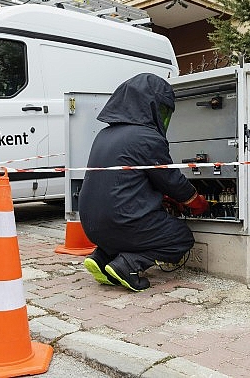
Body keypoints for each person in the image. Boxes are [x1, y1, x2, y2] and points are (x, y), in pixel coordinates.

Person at [78, 73, 209, 292]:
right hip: (123, 222)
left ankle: (101, 258)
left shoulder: (103, 135)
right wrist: (196, 201)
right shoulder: (146, 137)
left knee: (124, 232)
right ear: (151, 107)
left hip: (92, 226)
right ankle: (128, 265)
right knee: (181, 237)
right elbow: (172, 181)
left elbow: (127, 182)